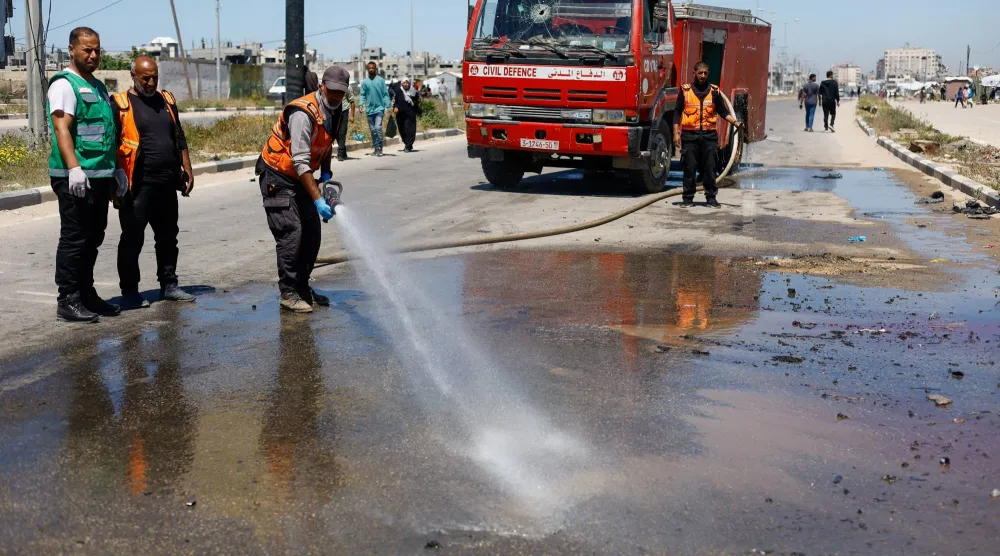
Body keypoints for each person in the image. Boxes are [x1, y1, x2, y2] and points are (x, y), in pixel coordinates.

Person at [257, 66, 348, 313]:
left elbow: (326, 144)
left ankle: (303, 288)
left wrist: (326, 175)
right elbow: (299, 161)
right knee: (291, 233)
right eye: (332, 92)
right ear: (321, 87)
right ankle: (288, 292)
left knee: (312, 233)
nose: (336, 98)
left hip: (300, 177)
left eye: (341, 93)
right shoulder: (302, 113)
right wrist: (318, 199)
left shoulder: (336, 110)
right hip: (278, 175)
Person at [47, 27, 122, 323]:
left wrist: (115, 168)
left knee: (94, 237)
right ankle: (67, 298)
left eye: (97, 50)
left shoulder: (99, 87)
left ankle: (86, 293)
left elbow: (106, 132)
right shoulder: (65, 85)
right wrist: (73, 168)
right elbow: (61, 129)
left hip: (100, 175)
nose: (92, 55)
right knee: (75, 238)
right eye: (86, 50)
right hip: (75, 176)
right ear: (72, 50)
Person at [112, 56, 196, 310]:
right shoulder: (120, 104)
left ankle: (169, 284)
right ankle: (130, 292)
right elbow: (113, 143)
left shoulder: (167, 100)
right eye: (145, 78)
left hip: (167, 183)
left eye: (154, 78)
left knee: (168, 237)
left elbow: (178, 135)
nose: (150, 83)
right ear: (133, 76)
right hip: (137, 186)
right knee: (132, 239)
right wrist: (116, 179)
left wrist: (187, 169)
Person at [673, 61, 743, 209]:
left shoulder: (714, 92)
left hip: (709, 136)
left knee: (710, 168)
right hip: (690, 137)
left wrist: (736, 123)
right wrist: (676, 134)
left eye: (705, 73)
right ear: (694, 73)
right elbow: (677, 113)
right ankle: (687, 199)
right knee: (689, 168)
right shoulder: (685, 91)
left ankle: (711, 198)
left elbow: (723, 112)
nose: (703, 76)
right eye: (700, 73)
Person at [359, 62, 391, 157]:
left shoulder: (380, 81)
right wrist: (361, 105)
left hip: (379, 109)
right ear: (367, 69)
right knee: (373, 130)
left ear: (375, 69)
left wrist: (388, 106)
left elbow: (385, 94)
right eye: (369, 68)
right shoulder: (365, 82)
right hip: (369, 110)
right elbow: (362, 95)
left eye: (373, 68)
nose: (371, 70)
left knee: (378, 128)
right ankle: (376, 148)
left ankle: (380, 147)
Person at [392, 77, 423, 153]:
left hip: (410, 113)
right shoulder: (398, 91)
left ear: (409, 83)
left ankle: (409, 145)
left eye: (407, 83)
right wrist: (395, 107)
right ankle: (407, 144)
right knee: (402, 129)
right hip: (400, 113)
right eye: (404, 83)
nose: (405, 84)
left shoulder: (414, 92)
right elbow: (395, 101)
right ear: (402, 83)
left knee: (410, 130)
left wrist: (418, 103)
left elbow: (418, 101)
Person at [335, 85, 356, 161]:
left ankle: (340, 154)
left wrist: (352, 116)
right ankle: (343, 152)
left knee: (342, 133)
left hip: (344, 111)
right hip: (334, 111)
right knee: (336, 133)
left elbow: (352, 102)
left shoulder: (347, 87)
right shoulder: (332, 85)